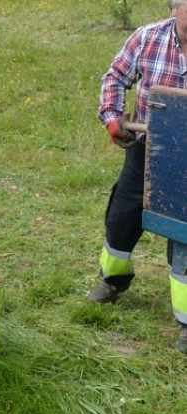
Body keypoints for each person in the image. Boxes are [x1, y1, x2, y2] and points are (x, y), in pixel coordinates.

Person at [88, 0, 187, 353]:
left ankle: (186, 322)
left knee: (184, 238)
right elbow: (115, 77)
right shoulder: (148, 37)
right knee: (121, 218)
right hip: (147, 150)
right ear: (174, 7)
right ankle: (113, 280)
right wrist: (113, 117)